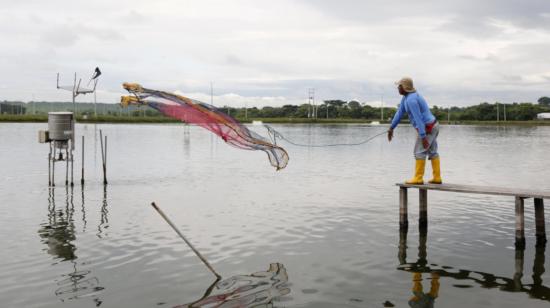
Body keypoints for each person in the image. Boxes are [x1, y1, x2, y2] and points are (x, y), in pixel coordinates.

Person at [387, 77, 442, 184]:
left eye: (399, 86)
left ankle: (418, 178)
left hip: (428, 128)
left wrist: (423, 136)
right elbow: (399, 113)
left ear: (405, 87)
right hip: (434, 125)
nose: (398, 88)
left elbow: (418, 118)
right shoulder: (406, 98)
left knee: (419, 152)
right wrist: (391, 128)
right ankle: (437, 178)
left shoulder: (411, 100)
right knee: (432, 152)